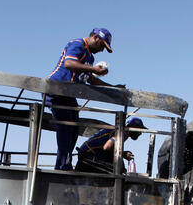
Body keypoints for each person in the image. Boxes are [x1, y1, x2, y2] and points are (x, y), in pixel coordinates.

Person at [44, 28, 121, 170]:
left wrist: (113, 87)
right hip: (57, 91)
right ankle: (62, 166)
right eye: (102, 46)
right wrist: (94, 69)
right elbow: (69, 64)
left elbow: (91, 80)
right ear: (96, 38)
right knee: (65, 129)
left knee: (73, 130)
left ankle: (64, 163)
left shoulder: (89, 58)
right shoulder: (77, 44)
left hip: (68, 95)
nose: (102, 50)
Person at [75, 117, 146, 174]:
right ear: (134, 127)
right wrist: (123, 154)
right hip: (89, 153)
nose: (140, 133)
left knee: (118, 162)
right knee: (118, 168)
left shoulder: (123, 133)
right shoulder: (121, 133)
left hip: (87, 152)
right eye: (140, 130)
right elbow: (107, 147)